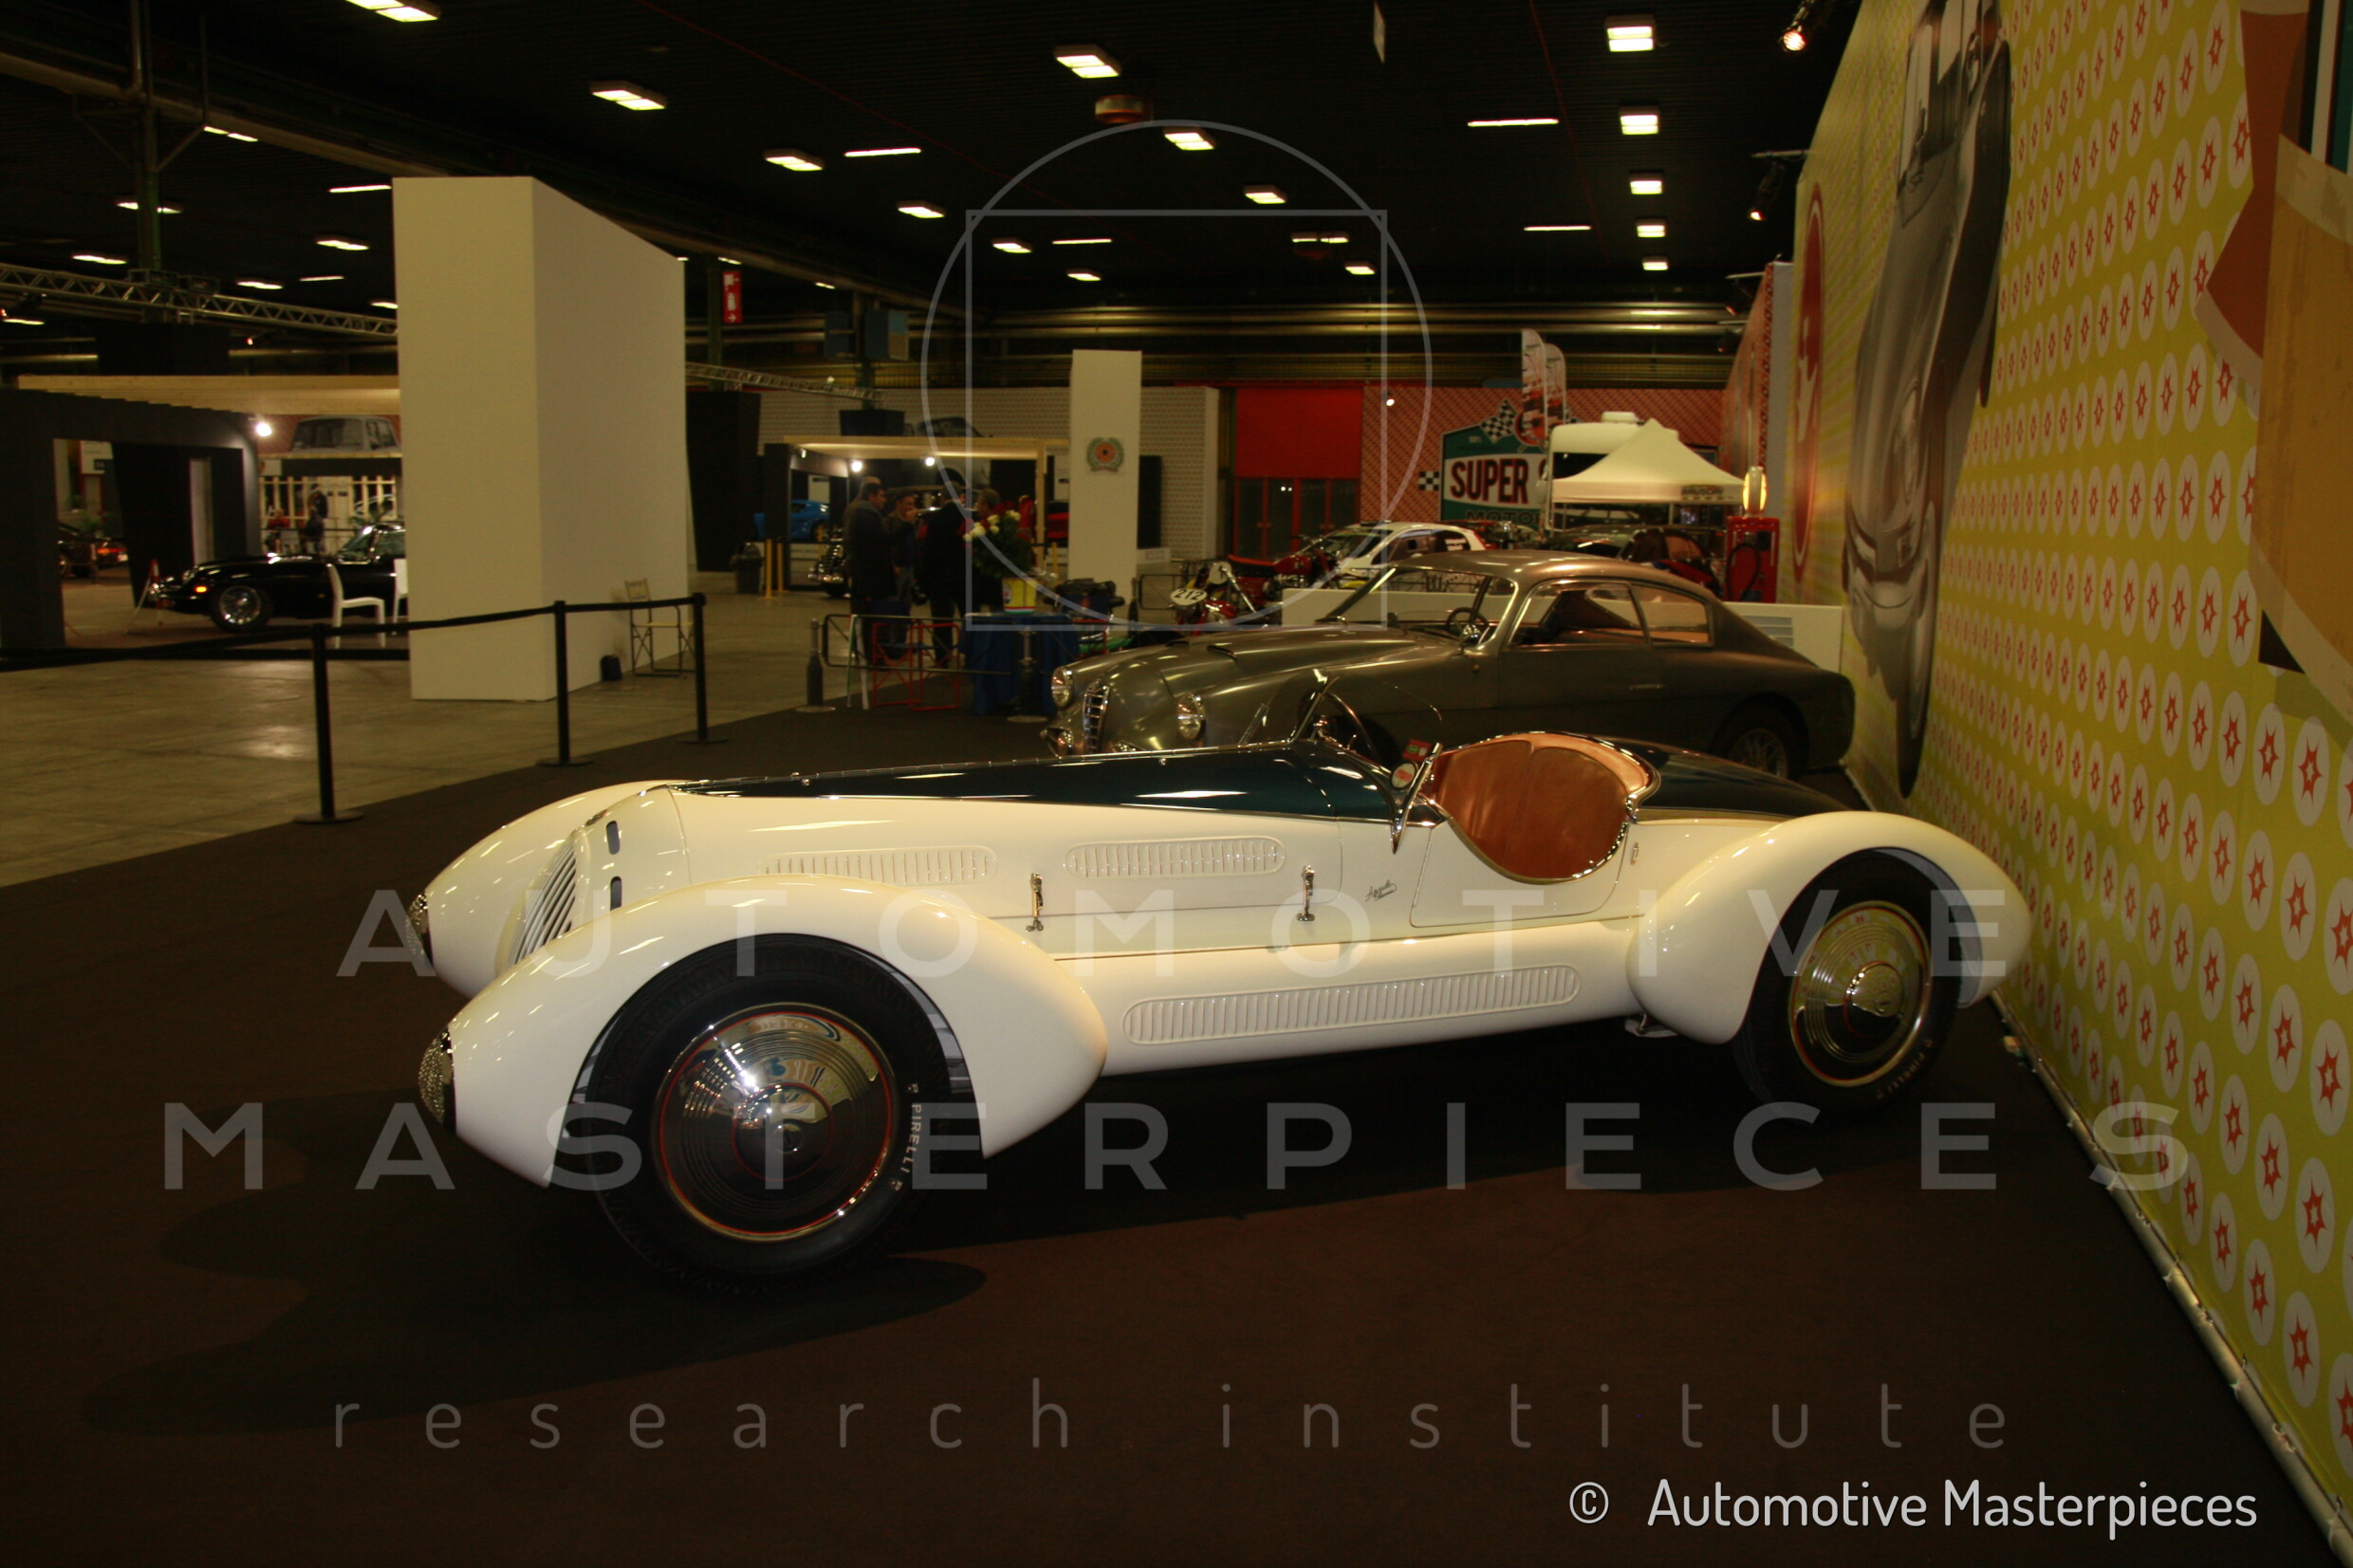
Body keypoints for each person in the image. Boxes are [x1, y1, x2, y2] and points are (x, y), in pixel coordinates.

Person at [917, 493, 972, 663]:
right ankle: (971, 655)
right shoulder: (968, 516)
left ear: (942, 499)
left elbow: (927, 551)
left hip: (939, 577)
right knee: (969, 617)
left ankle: (942, 657)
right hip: (964, 577)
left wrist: (923, 579)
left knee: (941, 620)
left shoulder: (934, 519)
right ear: (961, 497)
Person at [843, 477, 895, 613]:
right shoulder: (863, 513)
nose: (884, 499)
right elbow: (878, 540)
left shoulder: (862, 510)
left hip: (862, 566)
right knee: (867, 608)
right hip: (867, 569)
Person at [301, 489, 328, 556]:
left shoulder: (315, 520)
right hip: (313, 535)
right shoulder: (313, 520)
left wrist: (306, 534)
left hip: (314, 536)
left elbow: (313, 529)